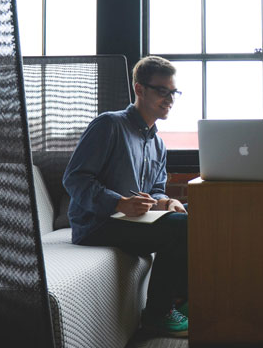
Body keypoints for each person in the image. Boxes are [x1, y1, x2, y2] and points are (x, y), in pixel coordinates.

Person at [62, 55, 189, 337]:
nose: (170, 99)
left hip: (134, 221)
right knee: (183, 227)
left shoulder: (158, 143)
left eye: (173, 92)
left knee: (194, 214)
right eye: (162, 91)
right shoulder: (109, 125)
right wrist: (119, 203)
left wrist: (166, 202)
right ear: (139, 89)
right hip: (97, 224)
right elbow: (75, 178)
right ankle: (158, 315)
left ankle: (182, 298)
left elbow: (155, 189)